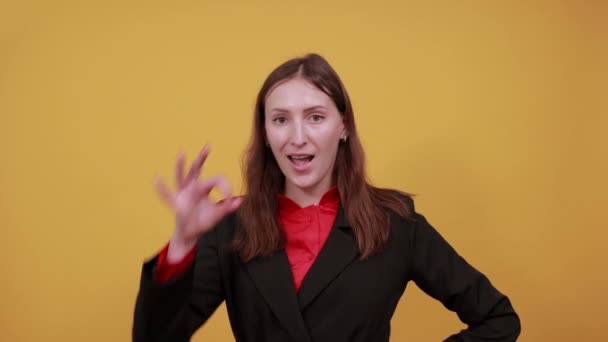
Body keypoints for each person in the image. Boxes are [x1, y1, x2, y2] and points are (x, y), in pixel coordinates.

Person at [132, 53, 521, 342]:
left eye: (315, 117)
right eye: (281, 119)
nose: (297, 137)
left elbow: (498, 319)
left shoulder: (397, 222)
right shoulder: (230, 227)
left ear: (344, 126)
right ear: (266, 133)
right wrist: (182, 244)